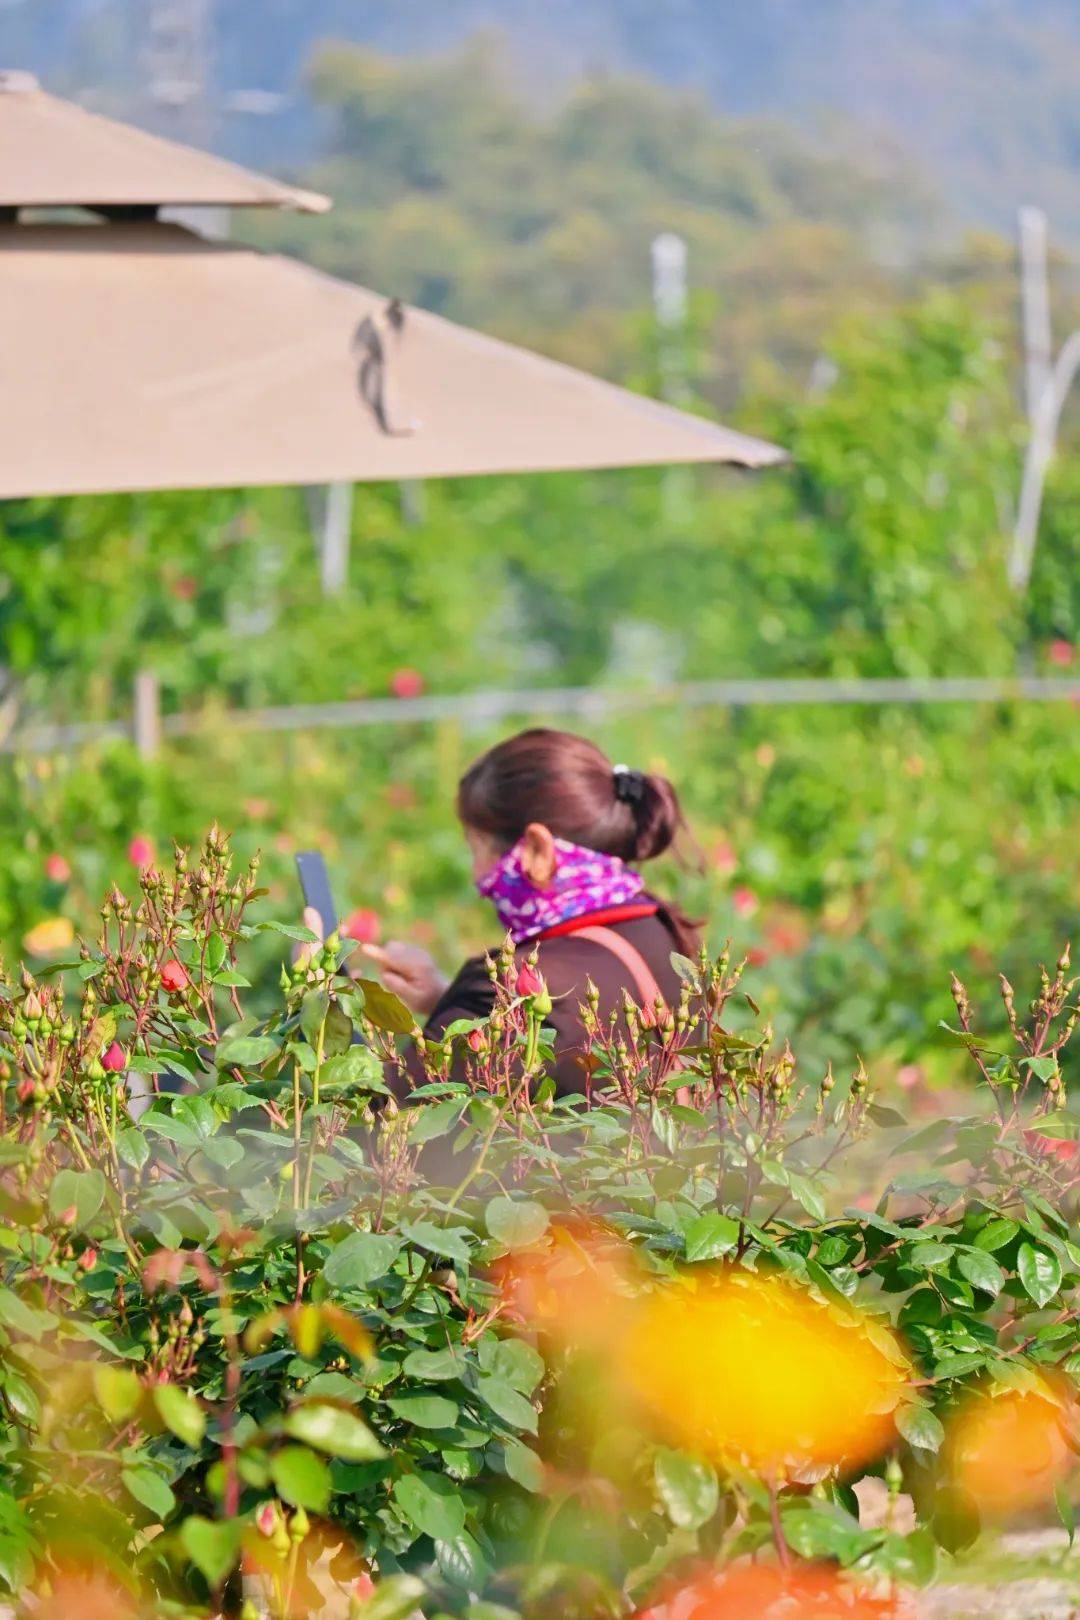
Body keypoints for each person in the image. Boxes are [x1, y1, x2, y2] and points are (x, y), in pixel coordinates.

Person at [309, 728, 700, 1095]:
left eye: (476, 846)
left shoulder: (514, 988)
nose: (477, 874)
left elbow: (376, 1120)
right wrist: (449, 1003)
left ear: (536, 850)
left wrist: (317, 998)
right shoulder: (661, 931)